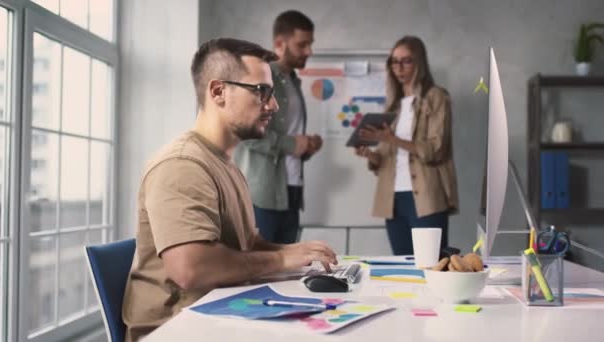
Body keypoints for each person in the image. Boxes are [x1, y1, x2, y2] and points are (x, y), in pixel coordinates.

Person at [122, 38, 337, 341]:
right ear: (218, 92)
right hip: (176, 330)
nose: (273, 105)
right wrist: (280, 260)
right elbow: (191, 269)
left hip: (219, 316)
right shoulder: (182, 164)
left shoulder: (225, 164)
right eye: (261, 91)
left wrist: (295, 252)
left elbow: (245, 242)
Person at [355, 36, 458, 256]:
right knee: (402, 265)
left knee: (431, 265)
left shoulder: (436, 97)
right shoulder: (393, 105)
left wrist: (392, 139)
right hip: (393, 199)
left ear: (419, 63)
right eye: (394, 61)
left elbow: (436, 149)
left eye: (406, 61)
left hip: (425, 197)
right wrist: (370, 156)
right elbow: (386, 158)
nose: (398, 68)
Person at [234, 10, 322, 244]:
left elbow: (287, 135)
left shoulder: (293, 81)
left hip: (291, 192)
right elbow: (247, 133)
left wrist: (306, 146)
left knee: (287, 271)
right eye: (302, 44)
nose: (309, 51)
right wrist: (293, 144)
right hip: (263, 195)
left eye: (310, 44)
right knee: (260, 268)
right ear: (279, 44)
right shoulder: (260, 79)